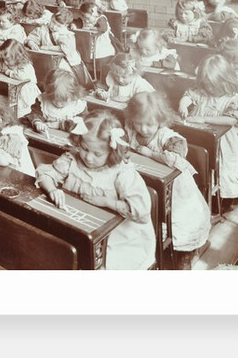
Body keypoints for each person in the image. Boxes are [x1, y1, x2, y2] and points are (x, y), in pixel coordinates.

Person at [36, 111, 156, 270]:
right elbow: (46, 174)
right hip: (82, 228)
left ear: (112, 151)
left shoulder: (122, 173)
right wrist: (52, 189)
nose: (88, 157)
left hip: (118, 239)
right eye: (84, 149)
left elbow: (141, 212)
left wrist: (107, 202)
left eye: (97, 153)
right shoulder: (72, 159)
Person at [125, 91, 211, 268]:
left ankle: (186, 253)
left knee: (181, 222)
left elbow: (176, 158)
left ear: (160, 120)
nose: (143, 129)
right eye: (138, 123)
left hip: (176, 189)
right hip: (148, 181)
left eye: (149, 124)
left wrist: (151, 153)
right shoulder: (132, 130)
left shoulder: (166, 136)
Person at [179, 55, 238, 203]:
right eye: (205, 84)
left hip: (225, 142)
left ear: (225, 81)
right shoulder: (203, 92)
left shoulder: (235, 100)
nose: (208, 88)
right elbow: (189, 95)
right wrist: (183, 104)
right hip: (204, 137)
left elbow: (231, 119)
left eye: (212, 85)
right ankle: (202, 189)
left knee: (223, 169)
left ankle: (224, 198)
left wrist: (203, 119)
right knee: (201, 162)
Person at [28, 6, 92, 89]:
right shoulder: (42, 30)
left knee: (63, 81)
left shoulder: (66, 35)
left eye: (58, 26)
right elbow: (31, 38)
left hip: (65, 62)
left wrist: (47, 48)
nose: (54, 27)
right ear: (51, 17)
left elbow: (66, 49)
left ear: (66, 25)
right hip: (46, 61)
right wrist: (32, 43)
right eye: (53, 22)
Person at [26, 68, 88, 136]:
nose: (58, 104)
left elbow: (83, 125)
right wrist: (38, 122)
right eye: (53, 99)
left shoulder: (77, 106)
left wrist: (60, 125)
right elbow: (34, 113)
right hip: (47, 136)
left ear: (73, 96)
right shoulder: (42, 101)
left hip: (68, 139)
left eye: (62, 101)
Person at [0, 39, 40, 118]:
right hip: (13, 90)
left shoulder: (25, 65)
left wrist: (7, 71)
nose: (5, 62)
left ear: (18, 57)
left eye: (7, 60)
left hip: (25, 92)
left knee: (25, 112)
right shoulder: (4, 62)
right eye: (3, 59)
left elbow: (21, 76)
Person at [71, 1, 118, 79]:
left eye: (88, 18)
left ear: (94, 14)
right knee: (87, 54)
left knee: (100, 55)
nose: (86, 20)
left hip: (101, 41)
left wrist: (94, 29)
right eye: (84, 17)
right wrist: (74, 25)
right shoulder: (85, 18)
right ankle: (89, 72)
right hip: (90, 41)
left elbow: (103, 29)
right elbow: (78, 21)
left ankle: (100, 74)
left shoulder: (101, 19)